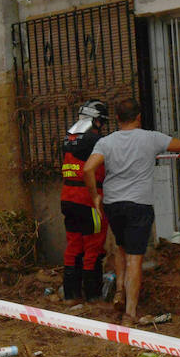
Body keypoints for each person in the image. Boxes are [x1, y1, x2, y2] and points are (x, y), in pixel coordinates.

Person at [83, 98, 180, 323]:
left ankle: (119, 289)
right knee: (135, 259)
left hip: (113, 204)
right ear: (138, 117)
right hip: (139, 204)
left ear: (118, 119)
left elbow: (88, 168)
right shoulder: (151, 138)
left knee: (121, 249)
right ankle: (130, 312)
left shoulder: (106, 142)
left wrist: (95, 197)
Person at [59, 100, 110, 301]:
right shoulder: (96, 141)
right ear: (96, 121)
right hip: (89, 200)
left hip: (67, 199)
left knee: (73, 246)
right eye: (102, 122)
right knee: (93, 247)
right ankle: (93, 295)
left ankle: (71, 294)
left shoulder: (68, 139)